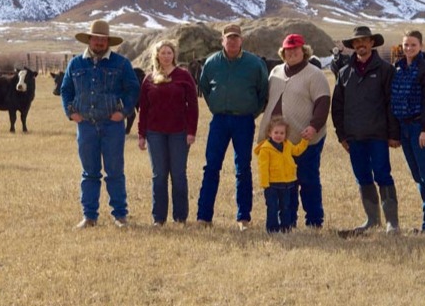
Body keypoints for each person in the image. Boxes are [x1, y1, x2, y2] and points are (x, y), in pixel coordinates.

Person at [60, 20, 141, 229]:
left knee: (114, 171)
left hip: (111, 126)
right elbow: (66, 89)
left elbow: (133, 90)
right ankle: (89, 217)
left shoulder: (121, 64)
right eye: (95, 38)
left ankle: (120, 215)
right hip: (85, 125)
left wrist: (123, 111)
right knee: (89, 172)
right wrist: (71, 113)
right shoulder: (76, 64)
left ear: (108, 42)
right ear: (89, 39)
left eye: (103, 39)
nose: (99, 42)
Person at [196, 23, 268, 231]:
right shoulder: (212, 63)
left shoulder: (254, 64)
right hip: (219, 121)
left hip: (244, 121)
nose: (233, 41)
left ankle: (243, 217)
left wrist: (252, 112)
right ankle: (204, 216)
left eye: (236, 37)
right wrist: (217, 107)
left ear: (241, 40)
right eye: (229, 38)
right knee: (211, 167)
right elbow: (205, 88)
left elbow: (263, 91)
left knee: (243, 168)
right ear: (222, 41)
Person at [331, 26, 400, 237]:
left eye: (364, 41)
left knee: (383, 175)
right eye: (356, 42)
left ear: (372, 43)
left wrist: (393, 133)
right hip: (353, 137)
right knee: (362, 177)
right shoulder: (344, 73)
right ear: (352, 46)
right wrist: (341, 135)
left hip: (378, 135)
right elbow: (337, 107)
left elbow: (392, 104)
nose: (360, 45)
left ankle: (392, 223)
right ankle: (372, 220)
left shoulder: (386, 70)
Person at [257, 33, 331, 228]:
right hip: (278, 141)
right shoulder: (275, 72)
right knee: (284, 183)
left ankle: (314, 220)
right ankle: (288, 221)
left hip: (305, 138)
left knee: (308, 180)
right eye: (288, 50)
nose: (292, 53)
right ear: (283, 52)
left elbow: (323, 102)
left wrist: (314, 126)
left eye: (295, 49)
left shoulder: (315, 74)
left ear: (304, 51)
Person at [137, 40, 199, 226]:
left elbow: (193, 106)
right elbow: (144, 108)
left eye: (169, 52)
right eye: (162, 53)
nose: (166, 56)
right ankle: (159, 218)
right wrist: (141, 134)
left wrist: (191, 131)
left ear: (174, 55)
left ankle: (180, 217)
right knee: (159, 175)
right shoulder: (149, 79)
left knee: (178, 175)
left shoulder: (184, 76)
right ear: (157, 55)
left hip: (179, 133)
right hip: (155, 133)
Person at [390, 30, 425, 234]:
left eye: (413, 44)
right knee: (418, 176)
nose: (409, 48)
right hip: (404, 128)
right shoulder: (399, 68)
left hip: (421, 128)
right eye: (405, 45)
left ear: (420, 45)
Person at [254, 117, 309, 233]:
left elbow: (297, 151)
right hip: (272, 185)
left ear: (286, 134)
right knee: (272, 207)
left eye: (282, 133)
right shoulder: (265, 149)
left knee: (286, 207)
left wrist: (305, 141)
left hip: (288, 183)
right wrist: (265, 183)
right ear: (269, 133)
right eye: (276, 133)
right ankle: (272, 229)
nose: (279, 135)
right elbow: (263, 168)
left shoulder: (287, 145)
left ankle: (286, 228)